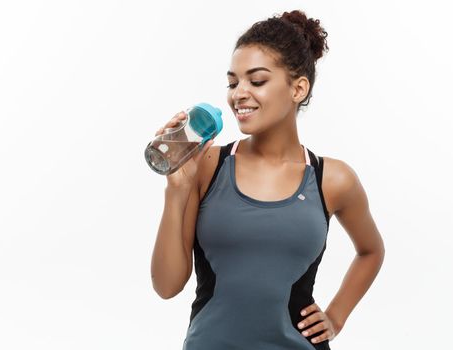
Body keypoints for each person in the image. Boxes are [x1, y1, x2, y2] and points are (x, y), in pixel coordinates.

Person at [150, 9, 385, 350]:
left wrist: (335, 317)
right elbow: (167, 286)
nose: (238, 94)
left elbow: (371, 251)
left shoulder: (332, 179)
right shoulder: (207, 166)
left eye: (256, 81)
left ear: (298, 88)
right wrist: (177, 189)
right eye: (233, 82)